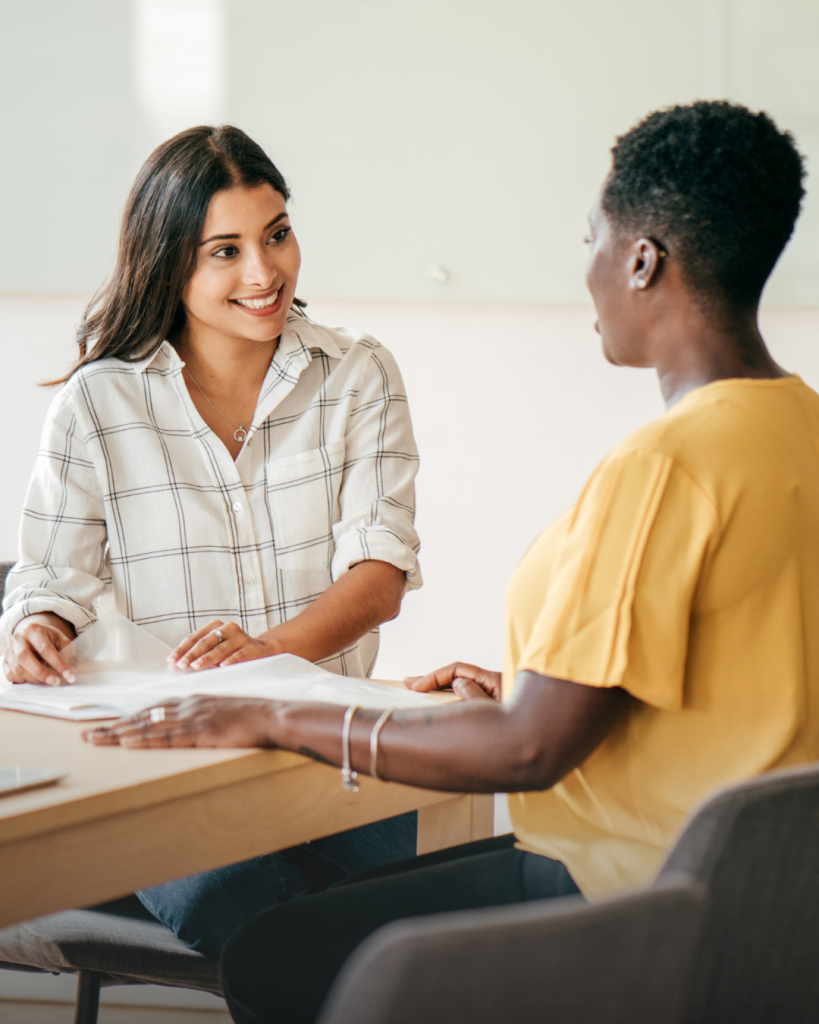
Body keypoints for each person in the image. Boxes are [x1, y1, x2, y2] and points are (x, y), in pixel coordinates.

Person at [86, 100, 819, 1024]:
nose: (585, 265)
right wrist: (526, 684)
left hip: (628, 893)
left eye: (593, 238)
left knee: (273, 954)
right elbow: (741, 671)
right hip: (763, 899)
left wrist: (272, 713)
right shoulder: (801, 431)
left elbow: (527, 749)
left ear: (641, 261)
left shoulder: (664, 467)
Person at [0, 125, 423, 954]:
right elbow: (48, 579)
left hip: (329, 763)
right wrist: (36, 630)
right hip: (168, 772)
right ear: (169, 264)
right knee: (251, 908)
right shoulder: (97, 404)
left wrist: (261, 656)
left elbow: (378, 576)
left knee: (436, 884)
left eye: (275, 235)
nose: (264, 273)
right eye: (223, 251)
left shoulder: (357, 375)